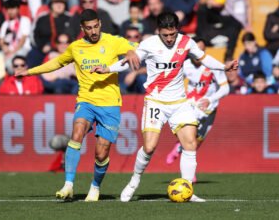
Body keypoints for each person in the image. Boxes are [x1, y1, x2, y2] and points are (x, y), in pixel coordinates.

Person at [91, 12, 238, 202]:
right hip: (155, 101)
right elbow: (128, 61)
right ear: (158, 31)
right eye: (165, 35)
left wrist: (223, 67)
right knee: (150, 147)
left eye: (172, 34)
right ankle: (134, 181)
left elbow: (204, 58)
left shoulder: (186, 42)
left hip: (179, 102)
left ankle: (188, 189)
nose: (169, 39)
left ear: (177, 30)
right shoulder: (149, 44)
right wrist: (108, 69)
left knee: (190, 144)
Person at [15, 9, 140, 202]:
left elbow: (135, 47)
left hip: (110, 104)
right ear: (82, 28)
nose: (93, 31)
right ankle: (68, 185)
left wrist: (131, 50)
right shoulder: (76, 48)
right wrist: (30, 72)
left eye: (96, 26)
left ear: (100, 24)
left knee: (101, 152)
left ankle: (95, 186)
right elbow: (56, 63)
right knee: (77, 132)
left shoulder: (114, 41)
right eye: (89, 28)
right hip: (86, 100)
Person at [165, 36, 230, 183]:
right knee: (191, 139)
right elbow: (175, 82)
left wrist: (210, 99)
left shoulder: (213, 65)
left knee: (198, 141)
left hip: (210, 108)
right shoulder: (184, 65)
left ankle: (178, 148)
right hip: (191, 106)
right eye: (196, 50)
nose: (199, 53)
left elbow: (226, 88)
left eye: (202, 50)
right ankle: (189, 174)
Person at [0, 0, 31, 74]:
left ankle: (14, 79)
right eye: (8, 9)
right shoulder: (5, 24)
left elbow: (23, 40)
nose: (10, 11)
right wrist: (4, 47)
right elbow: (1, 40)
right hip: (9, 50)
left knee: (9, 63)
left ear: (18, 9)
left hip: (22, 49)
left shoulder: (24, 20)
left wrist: (12, 53)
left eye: (13, 8)